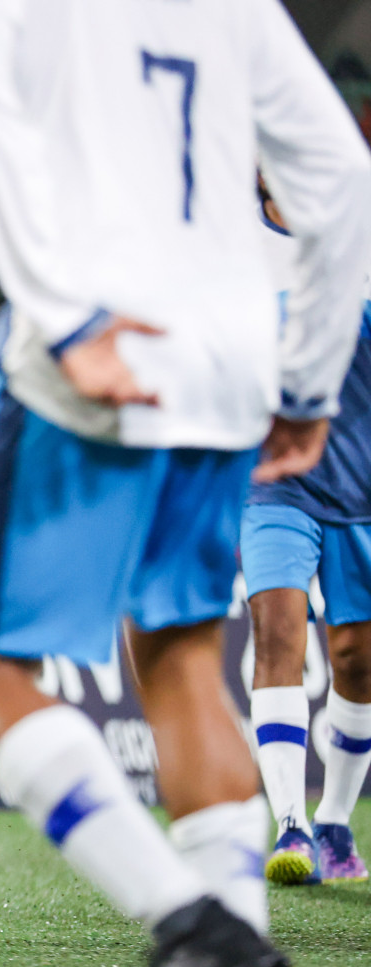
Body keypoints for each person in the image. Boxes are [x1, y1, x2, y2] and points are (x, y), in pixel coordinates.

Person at [0, 0, 371, 967]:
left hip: (98, 349)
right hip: (230, 357)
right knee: (177, 661)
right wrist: (308, 382)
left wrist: (67, 313)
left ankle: (194, 928)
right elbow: (341, 175)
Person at [245, 190, 371, 887]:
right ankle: (289, 823)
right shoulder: (231, 238)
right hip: (272, 483)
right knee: (277, 628)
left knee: (356, 661)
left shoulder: (360, 234)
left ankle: (334, 822)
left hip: (362, 488)